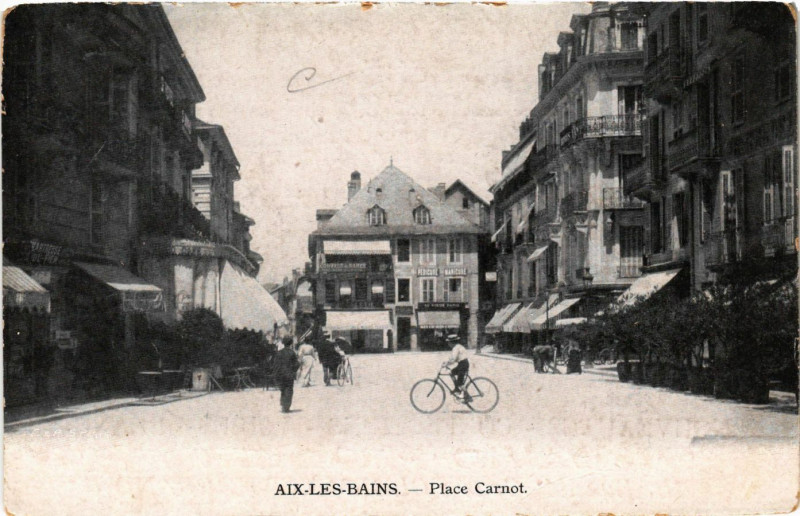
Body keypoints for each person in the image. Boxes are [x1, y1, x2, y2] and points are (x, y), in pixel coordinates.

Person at [272, 336, 300, 413]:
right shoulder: (292, 353)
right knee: (289, 390)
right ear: (291, 343)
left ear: (283, 343)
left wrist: (276, 374)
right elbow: (297, 364)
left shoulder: (279, 353)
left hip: (280, 374)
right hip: (289, 374)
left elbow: (275, 364)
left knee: (283, 390)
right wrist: (293, 371)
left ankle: (283, 405)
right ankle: (286, 406)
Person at [442, 334, 471, 402]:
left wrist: (446, 364)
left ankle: (467, 396)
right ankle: (456, 388)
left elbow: (453, 359)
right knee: (451, 372)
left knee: (460, 382)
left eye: (449, 342)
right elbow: (452, 358)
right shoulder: (458, 346)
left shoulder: (456, 348)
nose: (448, 344)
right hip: (462, 363)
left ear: (452, 342)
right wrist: (447, 362)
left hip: (463, 364)